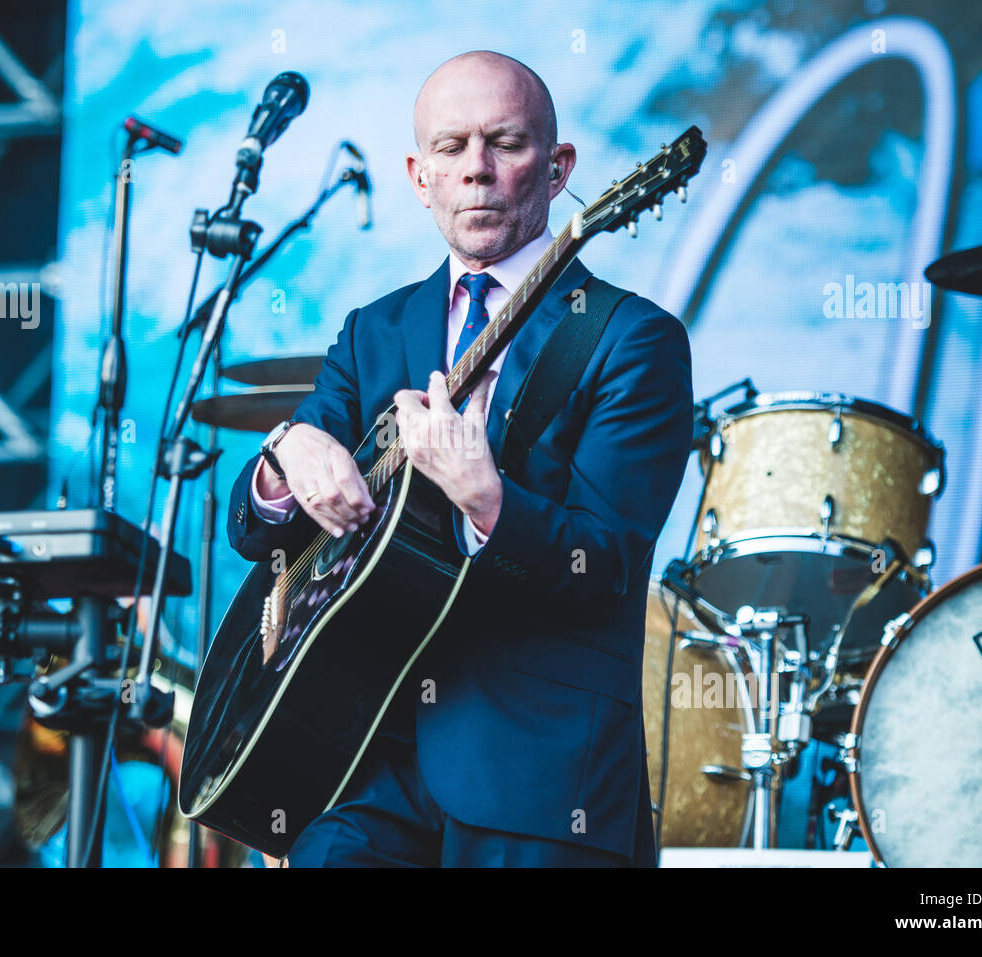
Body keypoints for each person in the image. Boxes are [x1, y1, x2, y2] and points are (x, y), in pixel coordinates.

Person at [225, 50, 693, 866]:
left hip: (539, 785)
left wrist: (488, 501)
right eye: (450, 148)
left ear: (558, 170)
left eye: (504, 143)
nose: (476, 169)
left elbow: (607, 561)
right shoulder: (374, 329)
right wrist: (285, 450)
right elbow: (255, 529)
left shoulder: (631, 339)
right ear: (418, 175)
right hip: (358, 767)